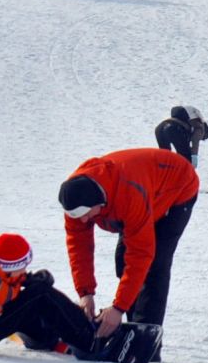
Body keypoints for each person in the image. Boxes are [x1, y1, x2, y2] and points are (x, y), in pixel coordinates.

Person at [59, 147, 200, 343]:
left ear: (99, 203)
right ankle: (129, 326)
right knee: (123, 260)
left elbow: (141, 254)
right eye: (77, 216)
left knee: (153, 265)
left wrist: (118, 308)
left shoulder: (129, 195)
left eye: (86, 214)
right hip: (144, 189)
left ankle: (145, 338)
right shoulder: (74, 198)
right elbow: (79, 248)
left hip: (177, 187)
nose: (82, 220)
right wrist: (85, 293)